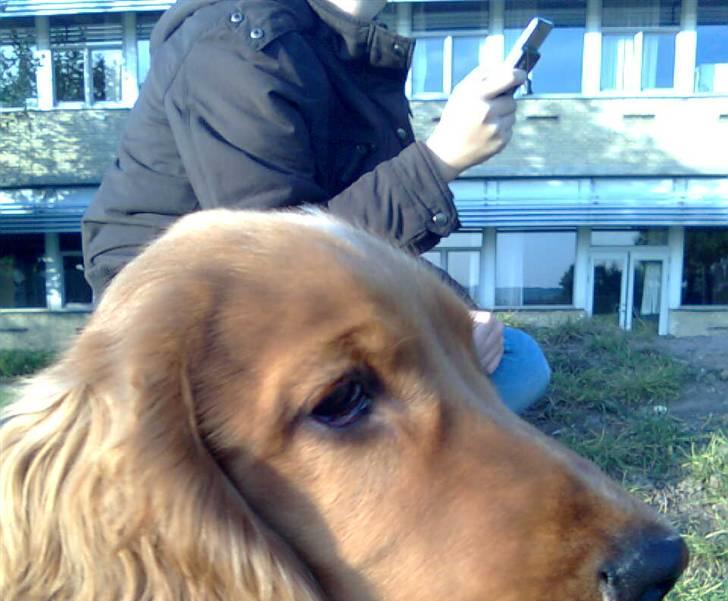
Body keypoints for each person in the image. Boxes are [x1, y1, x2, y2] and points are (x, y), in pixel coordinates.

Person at [82, 0, 550, 413]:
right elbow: (279, 256)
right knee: (501, 372)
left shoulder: (343, 47)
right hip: (176, 310)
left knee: (513, 356)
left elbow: (363, 240)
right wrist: (441, 157)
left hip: (277, 284)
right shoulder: (240, 42)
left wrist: (453, 313)